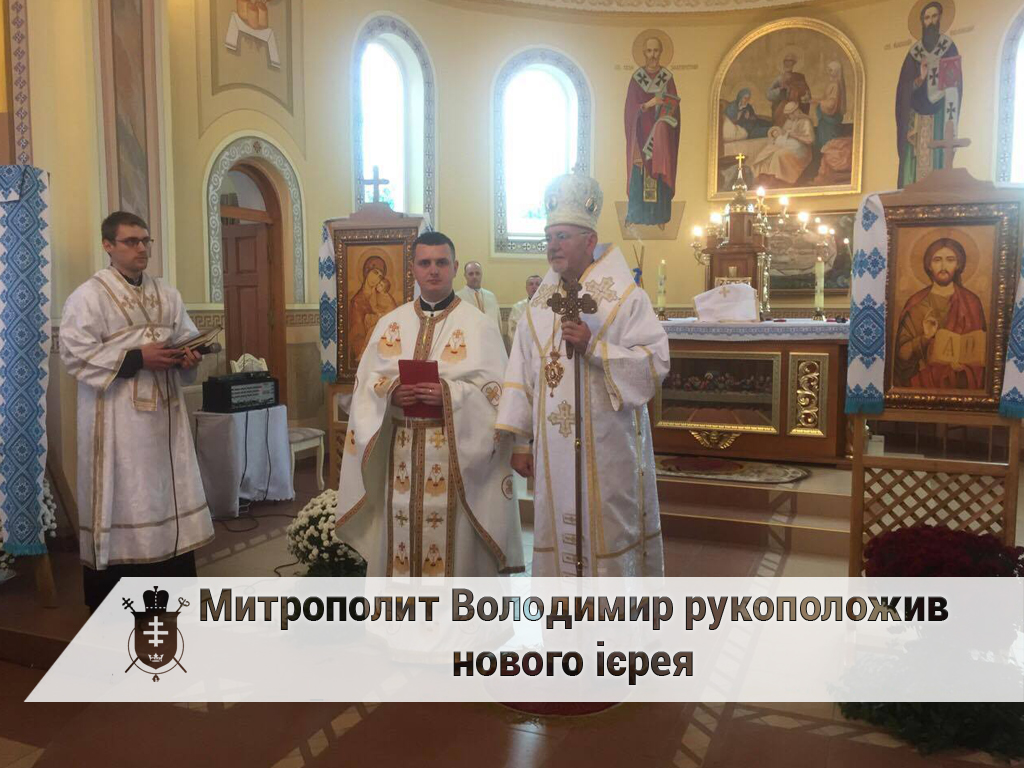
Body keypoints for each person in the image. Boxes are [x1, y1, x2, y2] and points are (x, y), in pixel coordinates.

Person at [495, 172, 669, 576]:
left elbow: (655, 362)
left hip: (608, 445)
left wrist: (595, 349)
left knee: (608, 522)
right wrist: (521, 441)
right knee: (557, 520)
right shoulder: (539, 306)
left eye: (562, 237)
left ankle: (611, 608)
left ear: (590, 241)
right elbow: (521, 370)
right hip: (552, 447)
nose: (552, 246)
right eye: (549, 237)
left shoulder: (626, 299)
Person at [335, 231, 523, 576]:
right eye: (424, 263)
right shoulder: (390, 323)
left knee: (456, 548)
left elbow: (497, 395)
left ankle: (456, 610)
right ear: (413, 269)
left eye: (441, 262)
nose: (433, 270)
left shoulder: (479, 326)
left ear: (454, 267)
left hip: (456, 457)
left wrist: (449, 395)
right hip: (399, 456)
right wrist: (391, 392)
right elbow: (365, 387)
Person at [59, 211, 213, 610]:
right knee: (126, 498)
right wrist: (137, 358)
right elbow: (74, 354)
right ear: (108, 245)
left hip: (165, 422)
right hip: (117, 425)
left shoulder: (167, 294)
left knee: (167, 496)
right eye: (131, 241)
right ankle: (117, 603)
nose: (141, 248)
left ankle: (174, 594)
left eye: (146, 240)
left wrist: (189, 355)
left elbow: (186, 337)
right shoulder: (88, 297)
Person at [894, 237, 986, 390]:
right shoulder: (916, 304)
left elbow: (982, 352)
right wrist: (925, 338)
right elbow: (902, 355)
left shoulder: (971, 302)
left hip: (961, 383)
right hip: (922, 383)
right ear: (929, 265)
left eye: (950, 260)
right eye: (937, 260)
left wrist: (965, 364)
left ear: (958, 264)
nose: (943, 266)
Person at [896, 1, 962, 188]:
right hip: (917, 117)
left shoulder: (948, 47)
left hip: (939, 115)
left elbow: (955, 84)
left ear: (940, 18)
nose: (931, 22)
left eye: (934, 17)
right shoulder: (913, 54)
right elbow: (903, 90)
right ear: (922, 22)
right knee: (916, 160)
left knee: (937, 156)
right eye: (927, 18)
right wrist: (920, 79)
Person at [624, 35, 679, 228]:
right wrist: (648, 104)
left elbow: (674, 106)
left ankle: (660, 216)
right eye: (649, 51)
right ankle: (635, 215)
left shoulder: (667, 78)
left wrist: (664, 119)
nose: (653, 55)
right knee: (639, 171)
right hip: (640, 134)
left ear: (661, 52)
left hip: (661, 135)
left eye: (656, 51)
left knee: (660, 171)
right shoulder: (636, 78)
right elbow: (630, 110)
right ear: (644, 53)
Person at [751, 101, 815, 186]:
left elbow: (810, 140)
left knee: (778, 155)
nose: (789, 116)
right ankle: (763, 177)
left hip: (801, 151)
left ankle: (777, 179)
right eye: (788, 115)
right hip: (787, 145)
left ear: (796, 111)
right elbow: (782, 133)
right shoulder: (789, 121)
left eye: (791, 114)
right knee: (767, 153)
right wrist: (778, 135)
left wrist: (793, 135)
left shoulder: (805, 122)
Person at [766, 52, 811, 126]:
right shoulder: (779, 78)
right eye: (786, 61)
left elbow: (806, 93)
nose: (788, 64)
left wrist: (805, 96)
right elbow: (768, 94)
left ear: (794, 63)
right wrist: (780, 90)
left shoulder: (800, 77)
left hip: (797, 108)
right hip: (782, 109)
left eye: (790, 61)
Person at [455, 260, 501, 330]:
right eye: (471, 274)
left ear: (481, 274)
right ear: (465, 276)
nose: (474, 276)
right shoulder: (458, 298)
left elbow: (498, 322)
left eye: (477, 273)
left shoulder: (491, 296)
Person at [814, 61, 847, 149]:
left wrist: (819, 102)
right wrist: (813, 99)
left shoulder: (835, 85)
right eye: (828, 70)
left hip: (829, 119)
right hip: (826, 118)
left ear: (836, 71)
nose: (828, 72)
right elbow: (825, 98)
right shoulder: (833, 84)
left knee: (828, 143)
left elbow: (831, 104)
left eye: (831, 70)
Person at [505, 274, 542, 346]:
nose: (534, 286)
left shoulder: (549, 307)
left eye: (537, 284)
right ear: (526, 288)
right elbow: (512, 331)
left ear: (543, 287)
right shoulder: (517, 307)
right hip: (523, 346)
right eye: (531, 284)